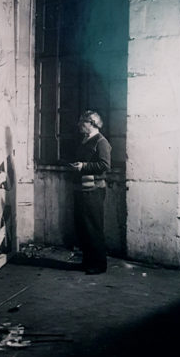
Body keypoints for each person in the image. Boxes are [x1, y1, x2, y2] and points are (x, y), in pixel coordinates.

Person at [68, 110, 111, 274]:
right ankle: (88, 262)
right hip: (82, 189)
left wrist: (83, 166)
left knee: (93, 227)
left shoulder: (101, 142)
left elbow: (105, 165)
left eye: (83, 122)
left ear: (92, 124)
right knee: (83, 227)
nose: (79, 125)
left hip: (93, 191)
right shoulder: (85, 140)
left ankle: (99, 265)